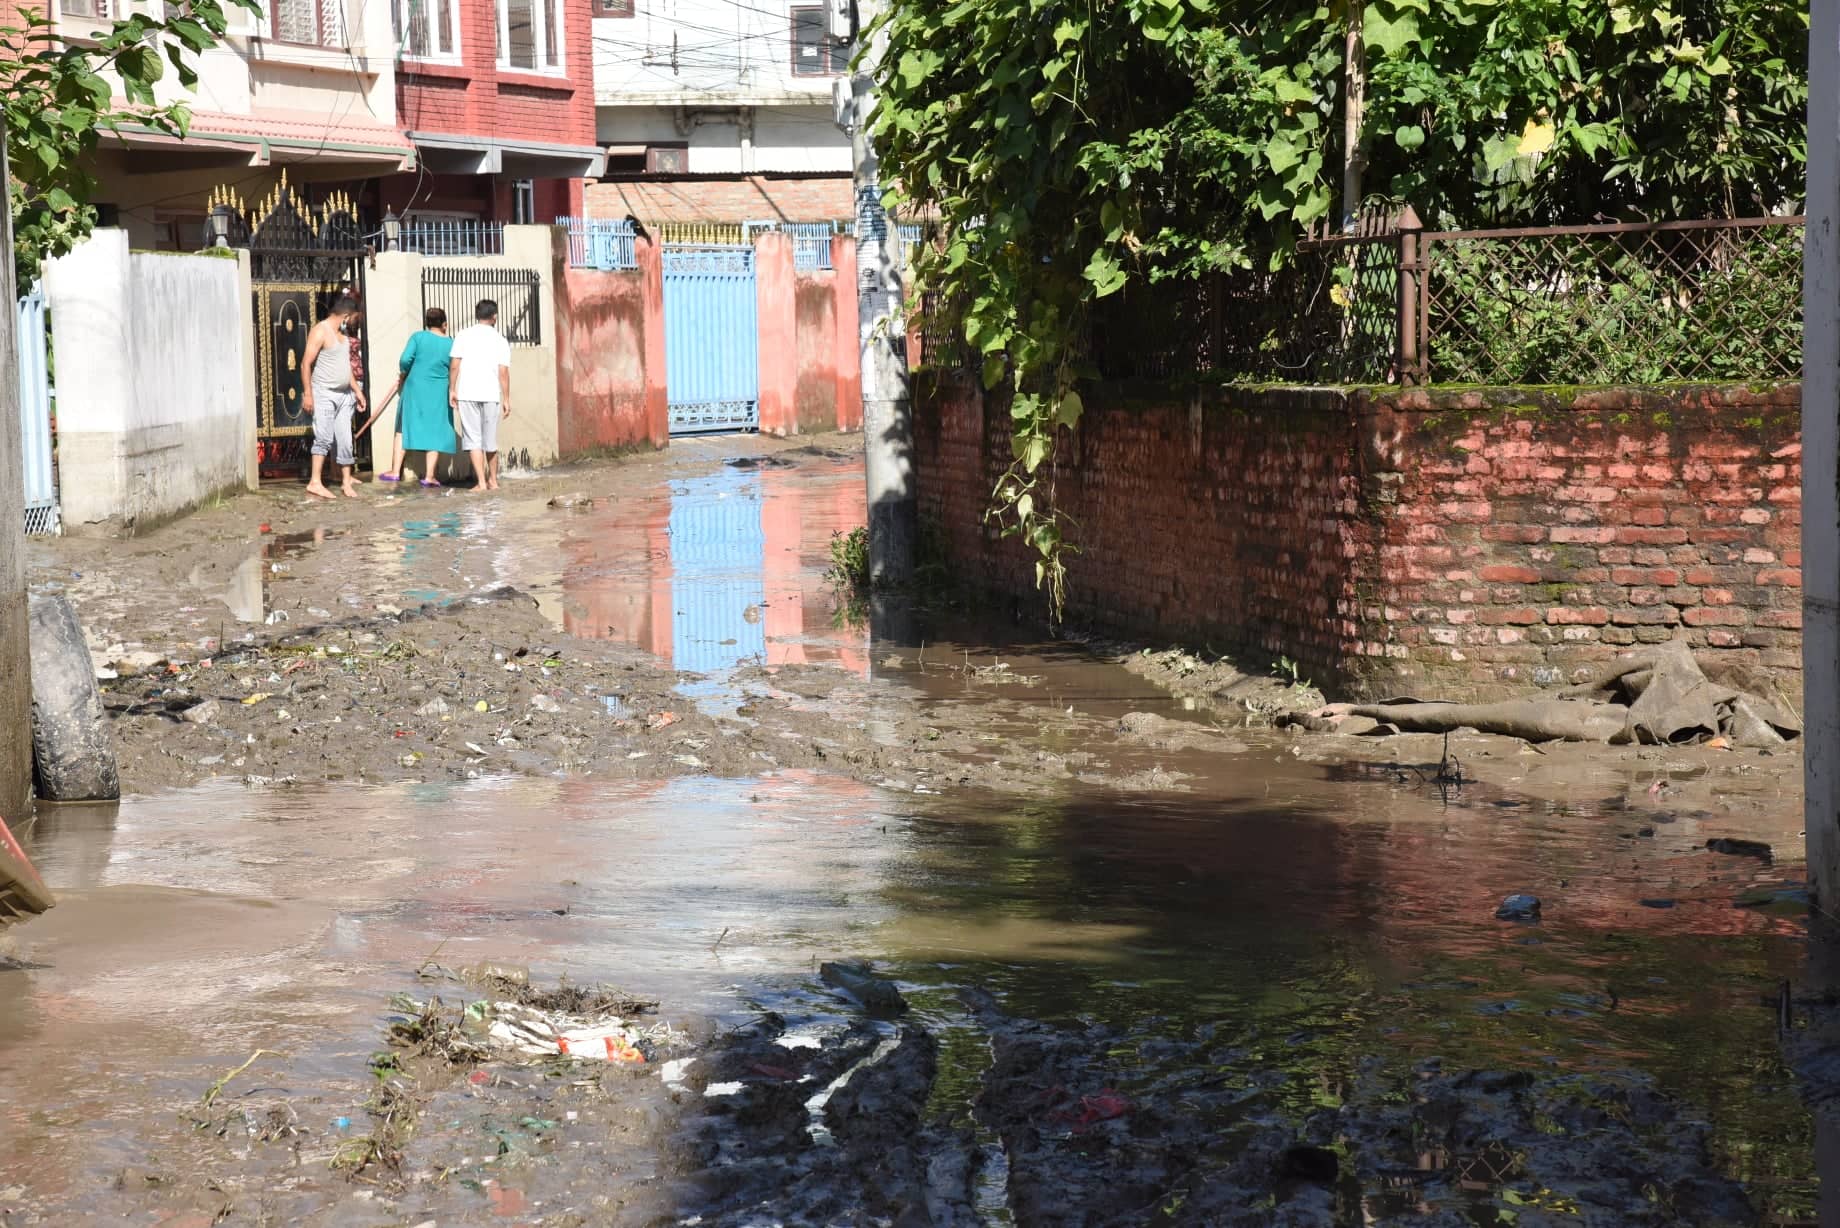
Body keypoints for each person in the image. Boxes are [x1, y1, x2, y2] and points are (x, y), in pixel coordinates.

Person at [374, 308, 457, 486]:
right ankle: (429, 476)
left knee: (403, 426)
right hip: (439, 390)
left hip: (414, 387)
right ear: (445, 324)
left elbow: (405, 360)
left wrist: (404, 372)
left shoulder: (418, 337)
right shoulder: (451, 343)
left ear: (427, 323)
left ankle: (395, 471)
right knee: (435, 428)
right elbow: (454, 367)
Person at [301, 295, 367, 500]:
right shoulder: (321, 331)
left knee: (346, 439)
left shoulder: (343, 335)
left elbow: (345, 369)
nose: (353, 322)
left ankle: (346, 482)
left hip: (344, 394)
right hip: (323, 392)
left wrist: (357, 391)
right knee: (324, 437)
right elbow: (305, 364)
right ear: (346, 315)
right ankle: (315, 481)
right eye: (353, 317)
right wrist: (308, 394)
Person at [448, 298, 512, 493]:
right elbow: (503, 372)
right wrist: (507, 398)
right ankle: (493, 481)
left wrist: (452, 389)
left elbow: (455, 364)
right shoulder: (500, 340)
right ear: (495, 317)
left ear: (477, 315)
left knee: (473, 439)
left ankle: (481, 483)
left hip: (468, 393)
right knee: (490, 439)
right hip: (491, 394)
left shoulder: (463, 335)